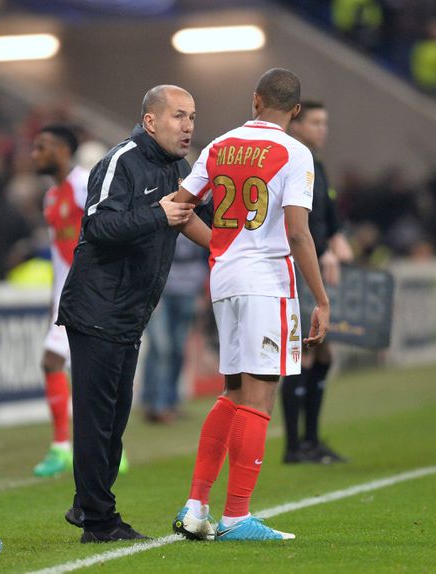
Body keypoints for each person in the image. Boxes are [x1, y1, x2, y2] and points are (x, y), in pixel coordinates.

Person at [171, 68, 330, 542]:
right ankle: (237, 517)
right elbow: (298, 232)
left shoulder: (219, 145)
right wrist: (320, 298)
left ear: (255, 99)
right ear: (295, 112)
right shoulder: (295, 152)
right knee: (258, 399)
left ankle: (196, 507)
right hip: (265, 283)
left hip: (224, 280)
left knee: (234, 393)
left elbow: (179, 209)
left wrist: (219, 246)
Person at [56, 85, 210, 543]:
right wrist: (157, 215)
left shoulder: (176, 169)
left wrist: (233, 251)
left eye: (192, 118)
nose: (188, 127)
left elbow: (185, 219)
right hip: (97, 310)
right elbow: (99, 224)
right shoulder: (121, 160)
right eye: (179, 116)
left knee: (114, 422)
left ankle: (88, 505)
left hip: (128, 314)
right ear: (150, 121)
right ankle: (100, 522)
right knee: (97, 421)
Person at [281, 100, 354, 464]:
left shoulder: (316, 165)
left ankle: (309, 439)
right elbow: (299, 223)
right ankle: (296, 445)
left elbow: (328, 216)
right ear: (297, 125)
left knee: (322, 352)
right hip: (300, 268)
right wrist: (323, 248)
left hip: (321, 266)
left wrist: (340, 240)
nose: (323, 129)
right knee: (305, 352)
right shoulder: (293, 162)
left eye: (326, 122)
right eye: (315, 122)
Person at [29, 124, 88, 477]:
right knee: (53, 362)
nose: (35, 154)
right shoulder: (51, 196)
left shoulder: (84, 186)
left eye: (42, 147)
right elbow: (57, 252)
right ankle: (62, 447)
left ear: (64, 150)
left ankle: (102, 445)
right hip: (65, 298)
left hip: (89, 295)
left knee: (85, 372)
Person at [141, 233, 209, 424]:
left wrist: (204, 291)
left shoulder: (201, 211)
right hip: (160, 291)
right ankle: (157, 404)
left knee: (178, 349)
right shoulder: (163, 208)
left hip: (189, 290)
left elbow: (208, 252)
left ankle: (169, 401)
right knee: (162, 348)